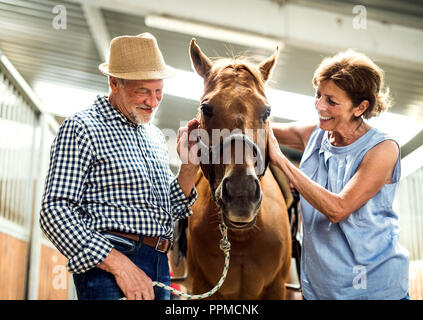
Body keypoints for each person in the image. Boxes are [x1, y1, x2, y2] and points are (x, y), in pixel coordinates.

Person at [40, 33, 200, 300]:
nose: (153, 101)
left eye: (159, 91)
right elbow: (55, 211)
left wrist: (188, 167)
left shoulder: (155, 137)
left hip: (159, 265)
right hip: (112, 265)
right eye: (143, 92)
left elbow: (167, 210)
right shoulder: (82, 128)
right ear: (114, 82)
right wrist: (120, 265)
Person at [267, 49, 409, 300]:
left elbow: (337, 209)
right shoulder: (314, 135)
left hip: (375, 292)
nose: (320, 105)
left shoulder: (382, 149)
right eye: (318, 95)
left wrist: (282, 162)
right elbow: (258, 128)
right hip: (321, 291)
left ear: (360, 107)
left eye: (331, 101)